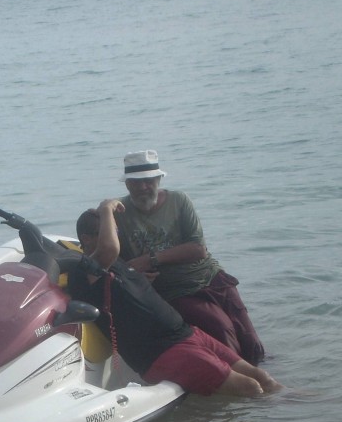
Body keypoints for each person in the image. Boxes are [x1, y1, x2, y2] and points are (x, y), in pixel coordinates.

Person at [68, 201, 281, 398]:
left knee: (262, 377)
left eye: (115, 232)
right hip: (161, 352)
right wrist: (106, 208)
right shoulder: (82, 272)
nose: (114, 237)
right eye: (107, 232)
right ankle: (278, 417)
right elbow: (109, 249)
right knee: (249, 388)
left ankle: (298, 406)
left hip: (186, 333)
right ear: (86, 239)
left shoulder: (116, 264)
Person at [105, 149, 266, 365]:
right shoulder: (119, 213)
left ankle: (267, 378)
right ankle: (237, 378)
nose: (143, 187)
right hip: (174, 290)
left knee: (249, 338)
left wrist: (151, 259)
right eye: (136, 182)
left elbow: (198, 248)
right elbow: (110, 257)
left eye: (148, 181)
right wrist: (136, 276)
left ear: (159, 180)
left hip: (210, 277)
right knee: (222, 328)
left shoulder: (179, 201)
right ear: (127, 184)